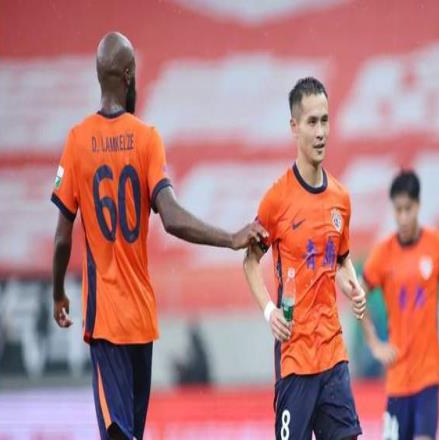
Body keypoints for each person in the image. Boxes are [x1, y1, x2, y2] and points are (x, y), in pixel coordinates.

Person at [50, 31, 266, 440]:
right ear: (129, 75)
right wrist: (231, 238)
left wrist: (58, 292)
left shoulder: (77, 141)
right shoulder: (147, 138)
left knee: (118, 432)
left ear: (99, 76)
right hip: (141, 320)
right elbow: (171, 217)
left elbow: (62, 237)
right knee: (129, 430)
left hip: (106, 321)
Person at [243, 77, 366, 440]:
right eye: (312, 122)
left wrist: (353, 285)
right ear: (294, 127)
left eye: (325, 120)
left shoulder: (341, 199)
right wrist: (270, 311)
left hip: (332, 352)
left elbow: (339, 260)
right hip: (295, 358)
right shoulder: (276, 200)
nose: (321, 132)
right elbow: (250, 262)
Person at [359, 170, 439, 440]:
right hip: (396, 379)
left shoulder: (437, 244)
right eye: (398, 210)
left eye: (408, 209)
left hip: (428, 375)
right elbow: (358, 294)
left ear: (418, 205)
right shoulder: (382, 254)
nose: (404, 217)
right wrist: (374, 343)